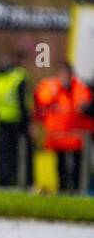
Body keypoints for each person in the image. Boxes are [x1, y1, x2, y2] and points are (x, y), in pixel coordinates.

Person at [34, 62, 93, 193]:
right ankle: (62, 190)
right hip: (57, 138)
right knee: (60, 166)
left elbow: (84, 105)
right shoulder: (50, 87)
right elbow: (41, 100)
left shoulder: (79, 88)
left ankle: (76, 190)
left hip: (76, 138)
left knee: (76, 166)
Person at [0, 50, 29, 188]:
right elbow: (22, 101)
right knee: (18, 154)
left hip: (1, 120)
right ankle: (19, 182)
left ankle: (4, 182)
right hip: (16, 121)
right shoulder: (19, 76)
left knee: (3, 154)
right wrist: (26, 122)